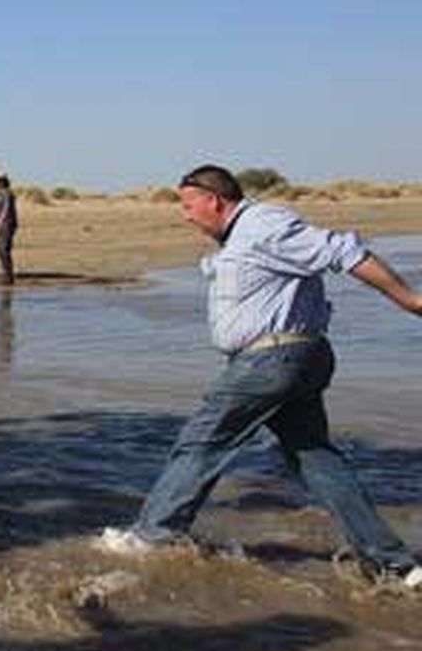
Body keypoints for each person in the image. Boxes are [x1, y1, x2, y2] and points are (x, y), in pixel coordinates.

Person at [99, 164, 422, 591]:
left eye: (188, 204)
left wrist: (411, 300)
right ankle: (395, 567)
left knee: (201, 440)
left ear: (214, 200)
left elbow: (345, 252)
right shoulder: (238, 237)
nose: (185, 214)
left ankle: (151, 536)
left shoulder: (263, 225)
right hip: (284, 360)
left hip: (274, 359)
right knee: (316, 460)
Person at [0, 174, 18, 285]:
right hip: (2, 225)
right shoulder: (1, 194)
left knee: (3, 249)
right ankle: (6, 274)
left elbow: (5, 210)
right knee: (0, 249)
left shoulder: (7, 194)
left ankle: (8, 276)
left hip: (7, 224)